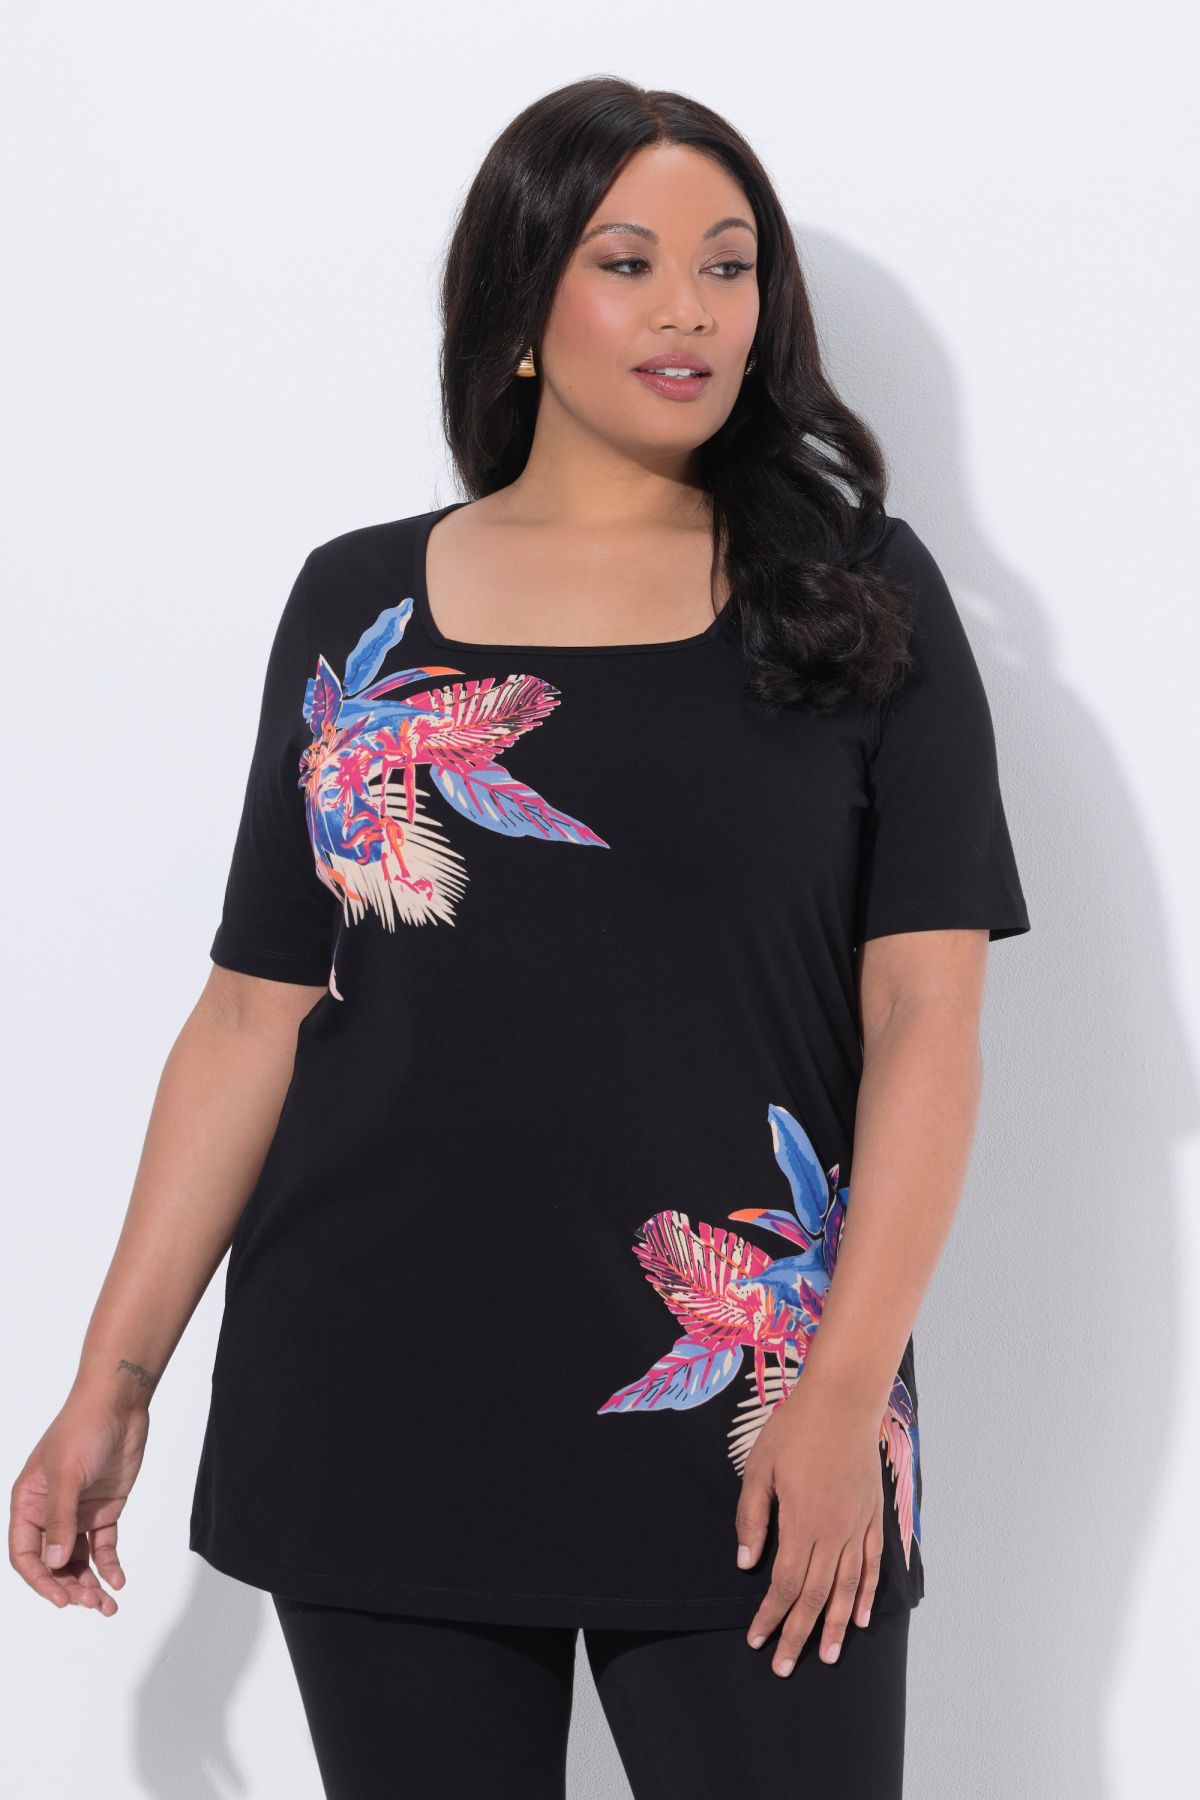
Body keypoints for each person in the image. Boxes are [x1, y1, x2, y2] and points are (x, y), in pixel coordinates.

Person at [9, 76, 1031, 1800]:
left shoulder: (860, 594)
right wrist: (115, 1376)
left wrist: (844, 1390)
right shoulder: (360, 604)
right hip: (381, 1383)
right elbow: (254, 1015)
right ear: (520, 311)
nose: (692, 309)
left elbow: (929, 1015)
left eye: (729, 265)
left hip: (758, 1399)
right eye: (630, 263)